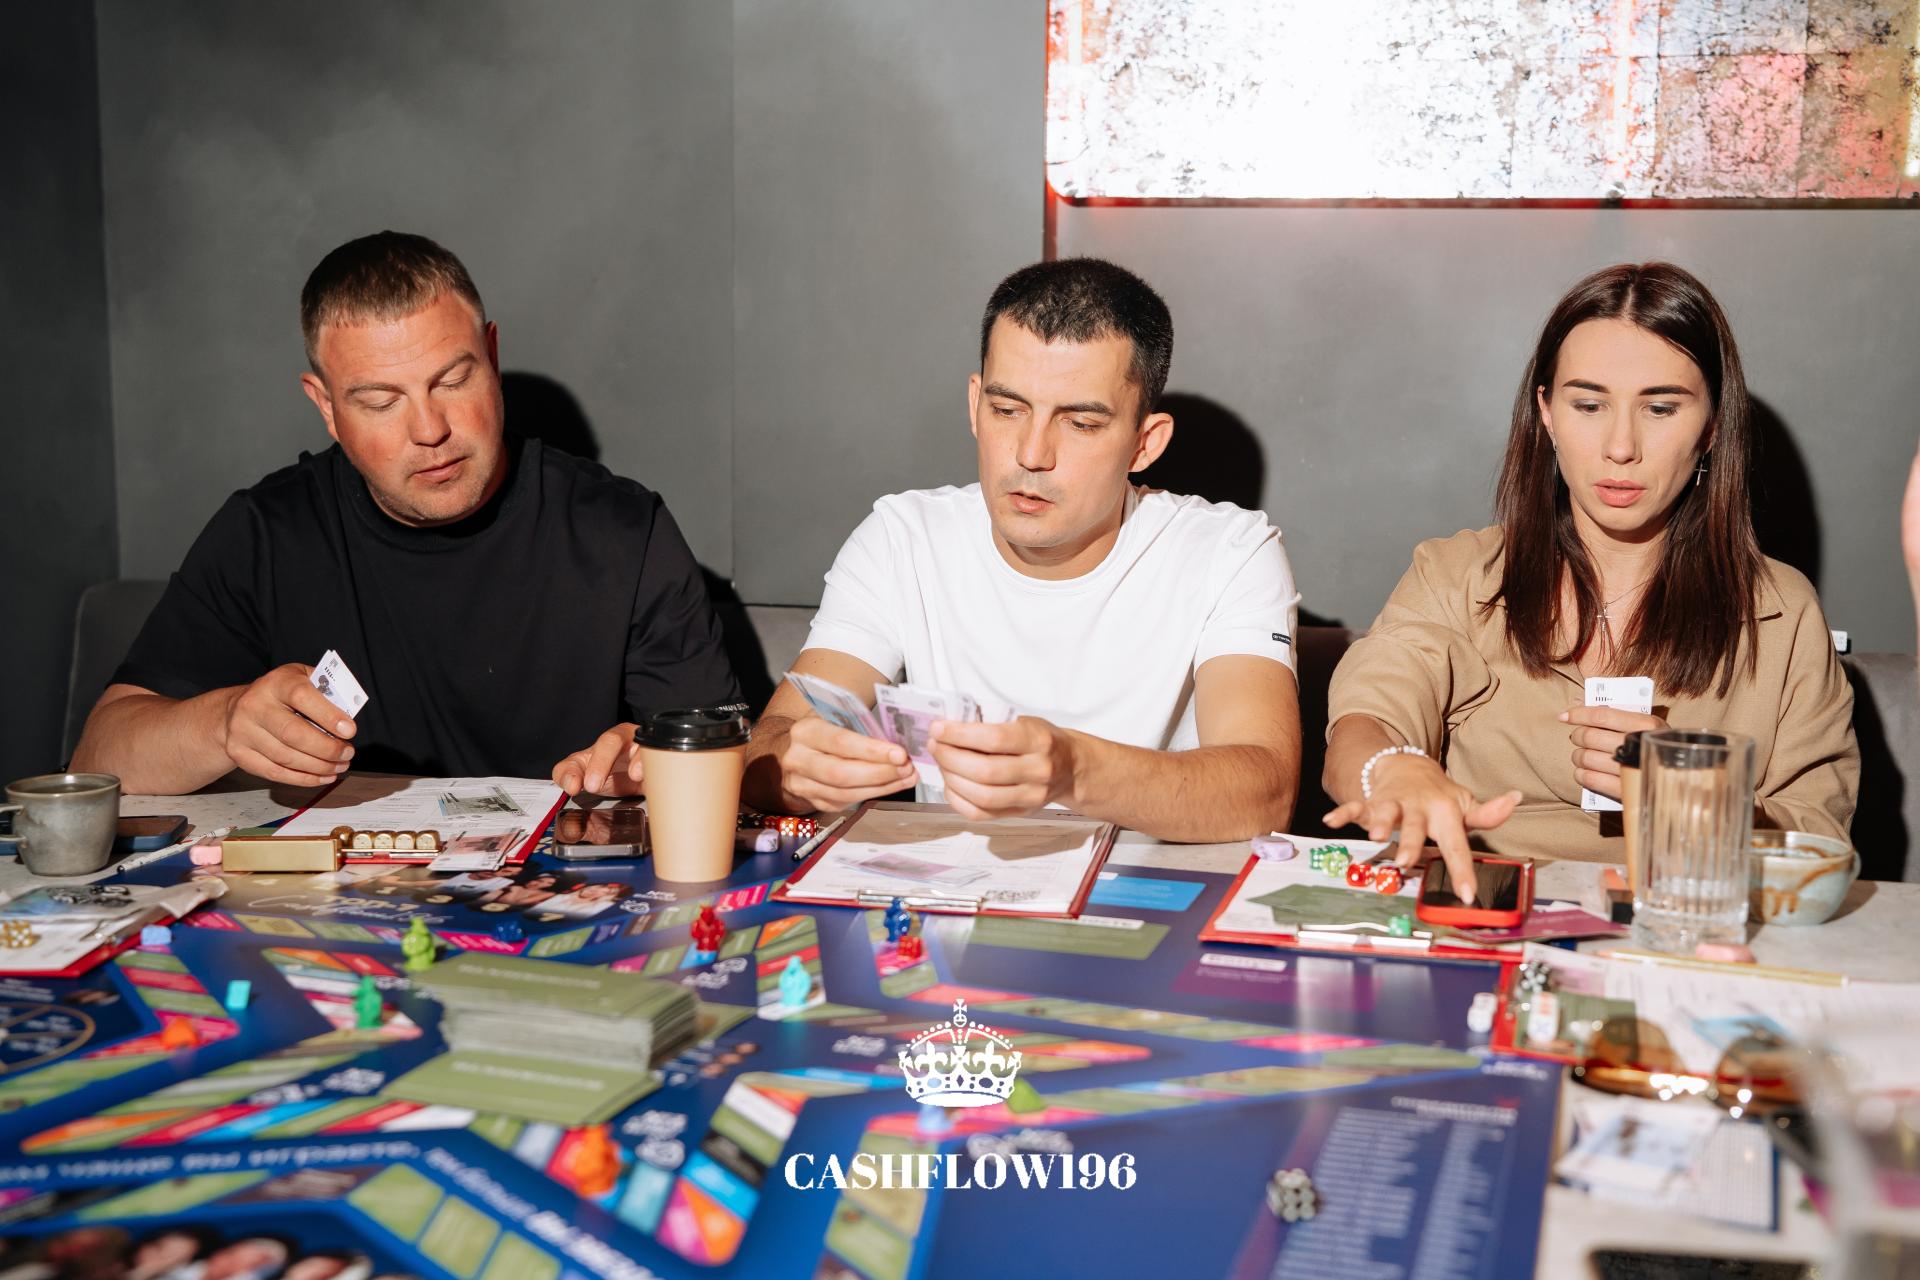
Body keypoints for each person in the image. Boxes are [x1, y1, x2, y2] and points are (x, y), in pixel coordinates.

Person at [71, 231, 738, 795]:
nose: (430, 429)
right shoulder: (268, 532)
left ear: (493, 358)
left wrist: (651, 765)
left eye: (453, 379)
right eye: (381, 401)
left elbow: (728, 760)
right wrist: (223, 724)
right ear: (326, 407)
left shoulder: (621, 531)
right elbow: (100, 760)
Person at [1323, 262, 1858, 899]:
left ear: (1714, 426)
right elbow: (1367, 719)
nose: (1621, 446)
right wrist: (1390, 770)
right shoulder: (1458, 576)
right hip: (1484, 915)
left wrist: (1693, 796)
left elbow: (1822, 842)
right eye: (1589, 405)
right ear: (1546, 413)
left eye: (1660, 408)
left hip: (1686, 926)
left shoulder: (1781, 611)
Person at [729, 258, 1301, 842]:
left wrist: (1072, 769)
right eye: (1007, 410)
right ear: (975, 405)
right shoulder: (903, 537)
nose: (1031, 454)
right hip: (945, 888)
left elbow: (1266, 793)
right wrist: (791, 768)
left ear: (1144, 443)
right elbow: (770, 744)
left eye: (1080, 423)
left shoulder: (1230, 551)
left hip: (1149, 889)